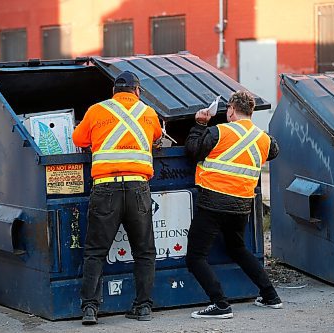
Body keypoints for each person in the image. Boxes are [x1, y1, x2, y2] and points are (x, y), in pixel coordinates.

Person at [72, 71, 162, 325]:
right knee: (144, 251)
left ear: (114, 92)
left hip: (105, 189)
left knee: (95, 252)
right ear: (137, 91)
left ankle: (90, 309)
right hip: (138, 189)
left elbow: (78, 139)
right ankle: (143, 307)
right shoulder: (148, 112)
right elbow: (156, 136)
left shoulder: (96, 110)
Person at [185, 90, 281, 319]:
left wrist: (199, 124)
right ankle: (270, 296)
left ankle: (220, 304)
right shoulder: (264, 139)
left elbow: (192, 150)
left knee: (195, 257)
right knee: (237, 248)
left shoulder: (219, 131)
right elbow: (274, 151)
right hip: (241, 205)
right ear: (251, 111)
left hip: (213, 204)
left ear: (230, 110)